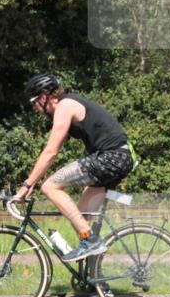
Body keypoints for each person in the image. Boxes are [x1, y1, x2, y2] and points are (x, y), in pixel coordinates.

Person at [14, 73, 137, 262]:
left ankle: (89, 242)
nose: (35, 109)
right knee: (80, 220)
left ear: (44, 97)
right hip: (119, 157)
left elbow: (51, 152)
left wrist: (27, 185)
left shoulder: (65, 106)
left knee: (49, 186)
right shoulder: (69, 104)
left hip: (112, 157)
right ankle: (95, 279)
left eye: (34, 103)